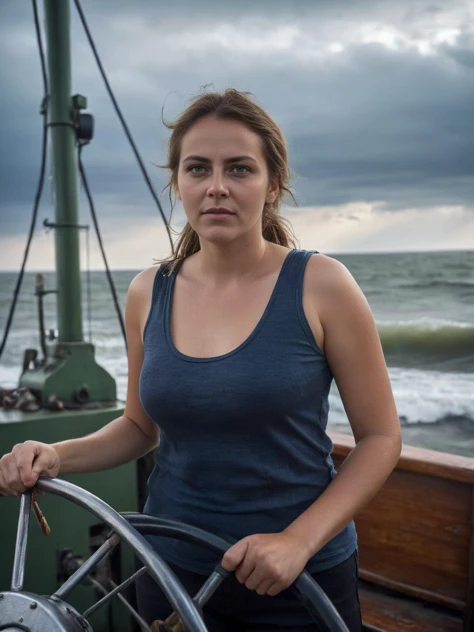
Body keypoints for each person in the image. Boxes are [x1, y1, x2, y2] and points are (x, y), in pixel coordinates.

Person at [0, 88, 401, 631]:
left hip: (296, 577)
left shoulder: (321, 284)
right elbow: (140, 427)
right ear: (179, 183)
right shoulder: (149, 291)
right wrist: (55, 453)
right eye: (198, 169)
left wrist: (297, 542)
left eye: (239, 168)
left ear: (273, 185)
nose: (217, 187)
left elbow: (380, 438)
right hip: (169, 568)